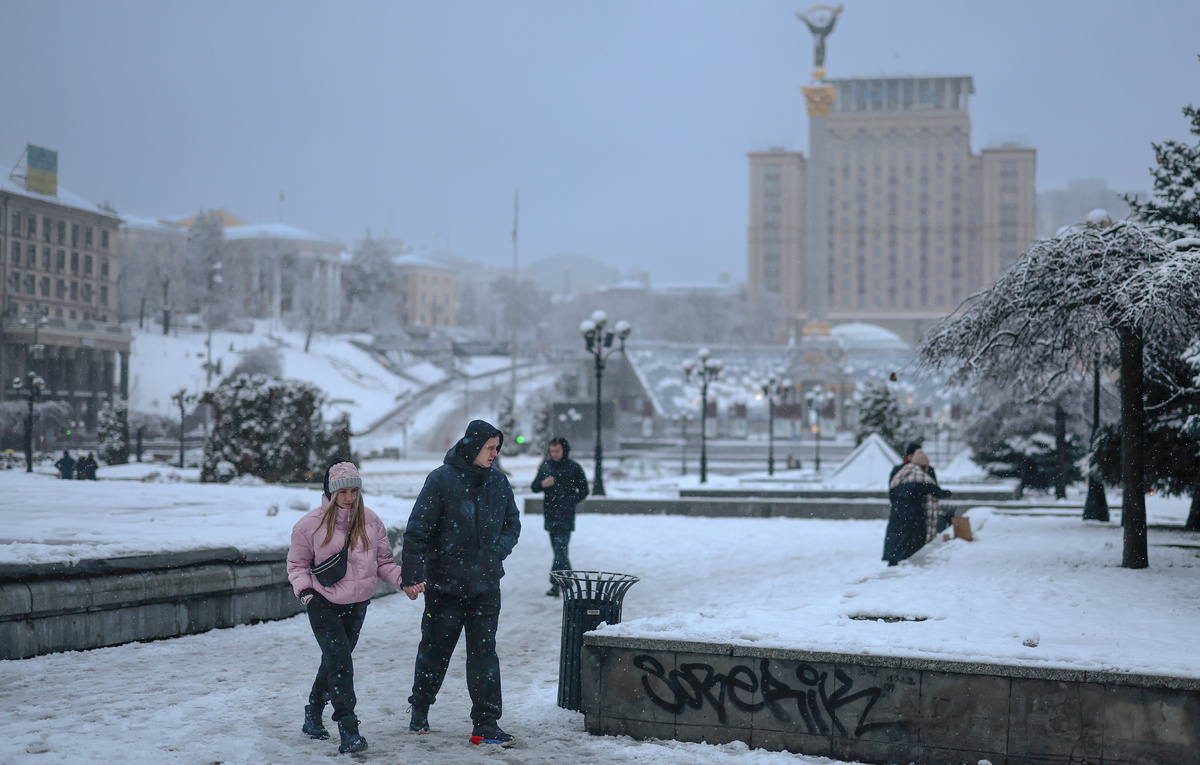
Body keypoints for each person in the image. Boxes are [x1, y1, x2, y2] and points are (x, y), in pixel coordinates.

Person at [401, 419, 521, 747]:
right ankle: (421, 707)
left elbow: (513, 522)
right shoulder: (441, 480)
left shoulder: (499, 482)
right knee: (435, 650)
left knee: (484, 654)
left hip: (485, 586)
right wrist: (412, 575)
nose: (495, 453)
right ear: (473, 446)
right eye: (490, 448)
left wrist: (496, 553)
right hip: (445, 587)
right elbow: (418, 530)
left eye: (498, 448)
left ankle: (485, 723)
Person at [287, 461, 417, 755]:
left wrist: (404, 583)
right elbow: (297, 566)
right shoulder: (309, 525)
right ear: (331, 493)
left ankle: (313, 711)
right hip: (323, 604)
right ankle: (349, 728)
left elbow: (384, 563)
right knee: (341, 664)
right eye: (343, 492)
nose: (349, 497)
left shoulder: (370, 521)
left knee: (334, 661)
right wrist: (307, 594)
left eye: (354, 491)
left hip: (357, 605)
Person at [530, 437, 589, 597]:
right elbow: (534, 487)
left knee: (561, 549)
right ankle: (567, 580)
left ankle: (556, 584)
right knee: (559, 551)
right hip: (550, 514)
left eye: (557, 451)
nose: (554, 454)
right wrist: (543, 484)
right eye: (552, 451)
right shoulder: (546, 466)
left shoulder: (573, 467)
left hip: (566, 515)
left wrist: (570, 501)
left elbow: (584, 489)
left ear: (564, 451)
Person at [883, 448, 951, 566]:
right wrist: (948, 493)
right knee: (911, 542)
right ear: (923, 465)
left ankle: (893, 561)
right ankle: (909, 563)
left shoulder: (900, 475)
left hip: (897, 514)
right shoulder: (921, 477)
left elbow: (892, 495)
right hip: (913, 515)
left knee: (896, 537)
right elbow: (937, 492)